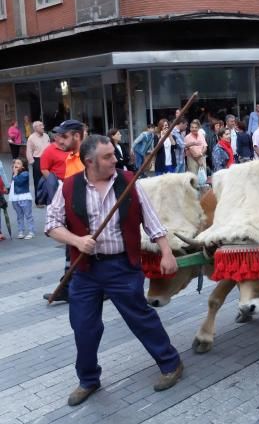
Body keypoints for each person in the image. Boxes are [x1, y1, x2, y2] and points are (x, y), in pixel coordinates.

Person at [45, 134, 183, 406]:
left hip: (122, 265)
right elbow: (51, 224)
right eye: (107, 157)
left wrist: (166, 252)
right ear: (89, 161)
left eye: (113, 154)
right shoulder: (69, 187)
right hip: (84, 270)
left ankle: (171, 363)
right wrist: (76, 241)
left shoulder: (129, 181)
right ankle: (88, 380)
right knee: (84, 326)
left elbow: (152, 223)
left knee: (140, 317)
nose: (114, 160)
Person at [42, 120, 86, 304]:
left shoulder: (88, 156)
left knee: (79, 254)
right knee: (72, 253)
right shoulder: (70, 157)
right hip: (73, 216)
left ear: (77, 136)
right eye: (58, 135)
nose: (59, 140)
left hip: (86, 218)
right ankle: (67, 287)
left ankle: (70, 288)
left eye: (64, 136)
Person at [9, 157, 35, 239]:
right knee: (19, 216)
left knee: (28, 215)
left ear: (23, 167)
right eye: (15, 163)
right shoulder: (14, 174)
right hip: (15, 198)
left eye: (18, 163)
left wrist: (15, 174)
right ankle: (21, 231)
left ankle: (31, 231)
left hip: (24, 197)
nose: (15, 164)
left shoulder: (25, 174)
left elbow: (19, 182)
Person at [26, 120, 50, 203]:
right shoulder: (31, 138)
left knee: (48, 180)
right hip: (37, 160)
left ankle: (47, 198)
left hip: (48, 160)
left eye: (42, 125)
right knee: (38, 181)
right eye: (40, 125)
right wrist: (33, 163)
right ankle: (39, 201)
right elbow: (28, 151)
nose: (43, 126)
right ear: (35, 128)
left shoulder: (46, 136)